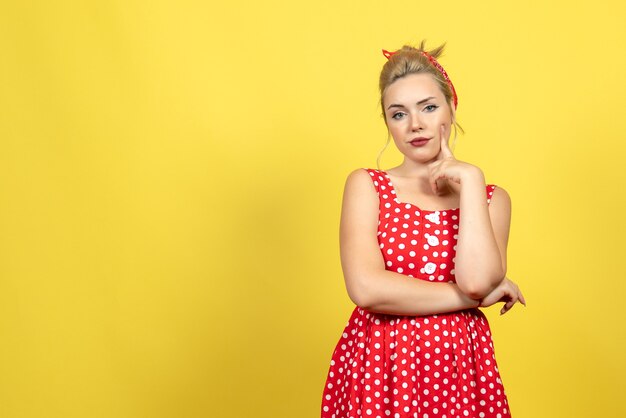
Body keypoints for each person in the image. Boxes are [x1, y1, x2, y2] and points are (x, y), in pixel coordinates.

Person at [320, 41, 526, 418]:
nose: (415, 124)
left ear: (451, 107)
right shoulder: (367, 186)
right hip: (381, 369)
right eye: (398, 114)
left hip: (461, 370)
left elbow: (478, 280)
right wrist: (471, 299)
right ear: (387, 123)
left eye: (428, 108)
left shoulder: (491, 199)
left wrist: (470, 179)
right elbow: (367, 289)